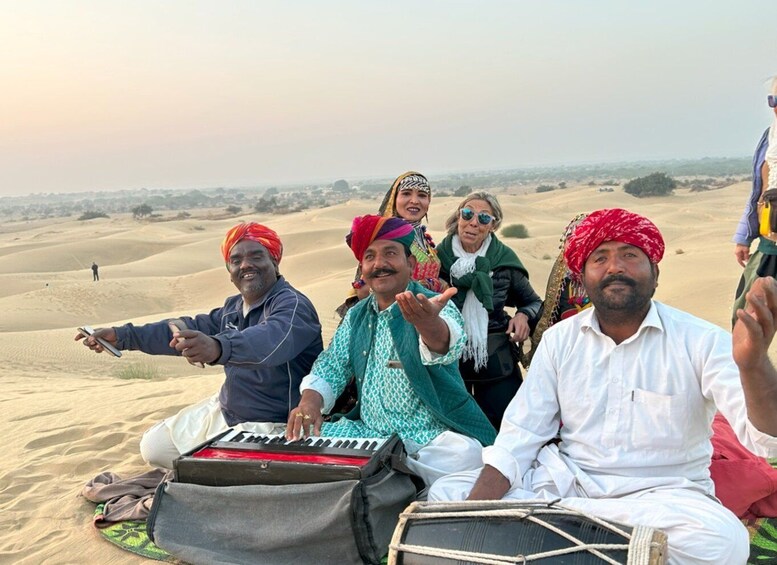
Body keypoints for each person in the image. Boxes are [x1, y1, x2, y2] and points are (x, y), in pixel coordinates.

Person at [430, 208, 777, 564]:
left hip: (661, 500)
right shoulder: (560, 341)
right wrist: (471, 511)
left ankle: (554, 539)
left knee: (721, 541)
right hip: (567, 486)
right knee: (447, 493)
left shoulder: (701, 340)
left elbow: (765, 437)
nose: (615, 267)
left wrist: (753, 366)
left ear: (655, 273)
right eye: (601, 258)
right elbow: (521, 434)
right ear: (582, 278)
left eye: (630, 255)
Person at [77, 222, 324, 469]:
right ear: (230, 271)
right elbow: (185, 328)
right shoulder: (233, 308)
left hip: (274, 423)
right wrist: (122, 336)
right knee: (154, 447)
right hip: (227, 411)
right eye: (236, 260)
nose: (245, 265)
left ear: (274, 262)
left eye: (256, 257)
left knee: (216, 471)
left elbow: (270, 341)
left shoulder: (292, 305)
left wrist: (218, 347)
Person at [287, 214, 496, 487]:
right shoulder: (357, 315)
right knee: (299, 444)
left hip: (428, 439)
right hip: (369, 434)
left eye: (390, 253)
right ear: (362, 268)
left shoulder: (432, 304)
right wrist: (309, 403)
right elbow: (333, 364)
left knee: (467, 457)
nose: (379, 264)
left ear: (409, 263)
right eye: (370, 257)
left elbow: (448, 345)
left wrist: (429, 325)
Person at [435, 192, 542, 429]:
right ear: (458, 217)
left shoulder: (503, 260)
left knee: (506, 430)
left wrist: (523, 315)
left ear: (493, 226)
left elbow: (534, 302)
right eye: (467, 213)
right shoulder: (436, 260)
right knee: (451, 435)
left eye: (484, 218)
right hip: (448, 364)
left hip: (496, 363)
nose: (473, 222)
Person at [336, 171, 446, 318]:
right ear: (394, 199)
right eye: (406, 194)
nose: (414, 201)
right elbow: (365, 289)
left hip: (429, 316)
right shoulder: (384, 239)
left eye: (422, 195)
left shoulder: (424, 238)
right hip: (396, 318)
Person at [732, 76, 777, 328]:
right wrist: (744, 236)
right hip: (770, 246)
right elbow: (758, 192)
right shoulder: (769, 139)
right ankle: (745, 368)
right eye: (774, 100)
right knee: (744, 320)